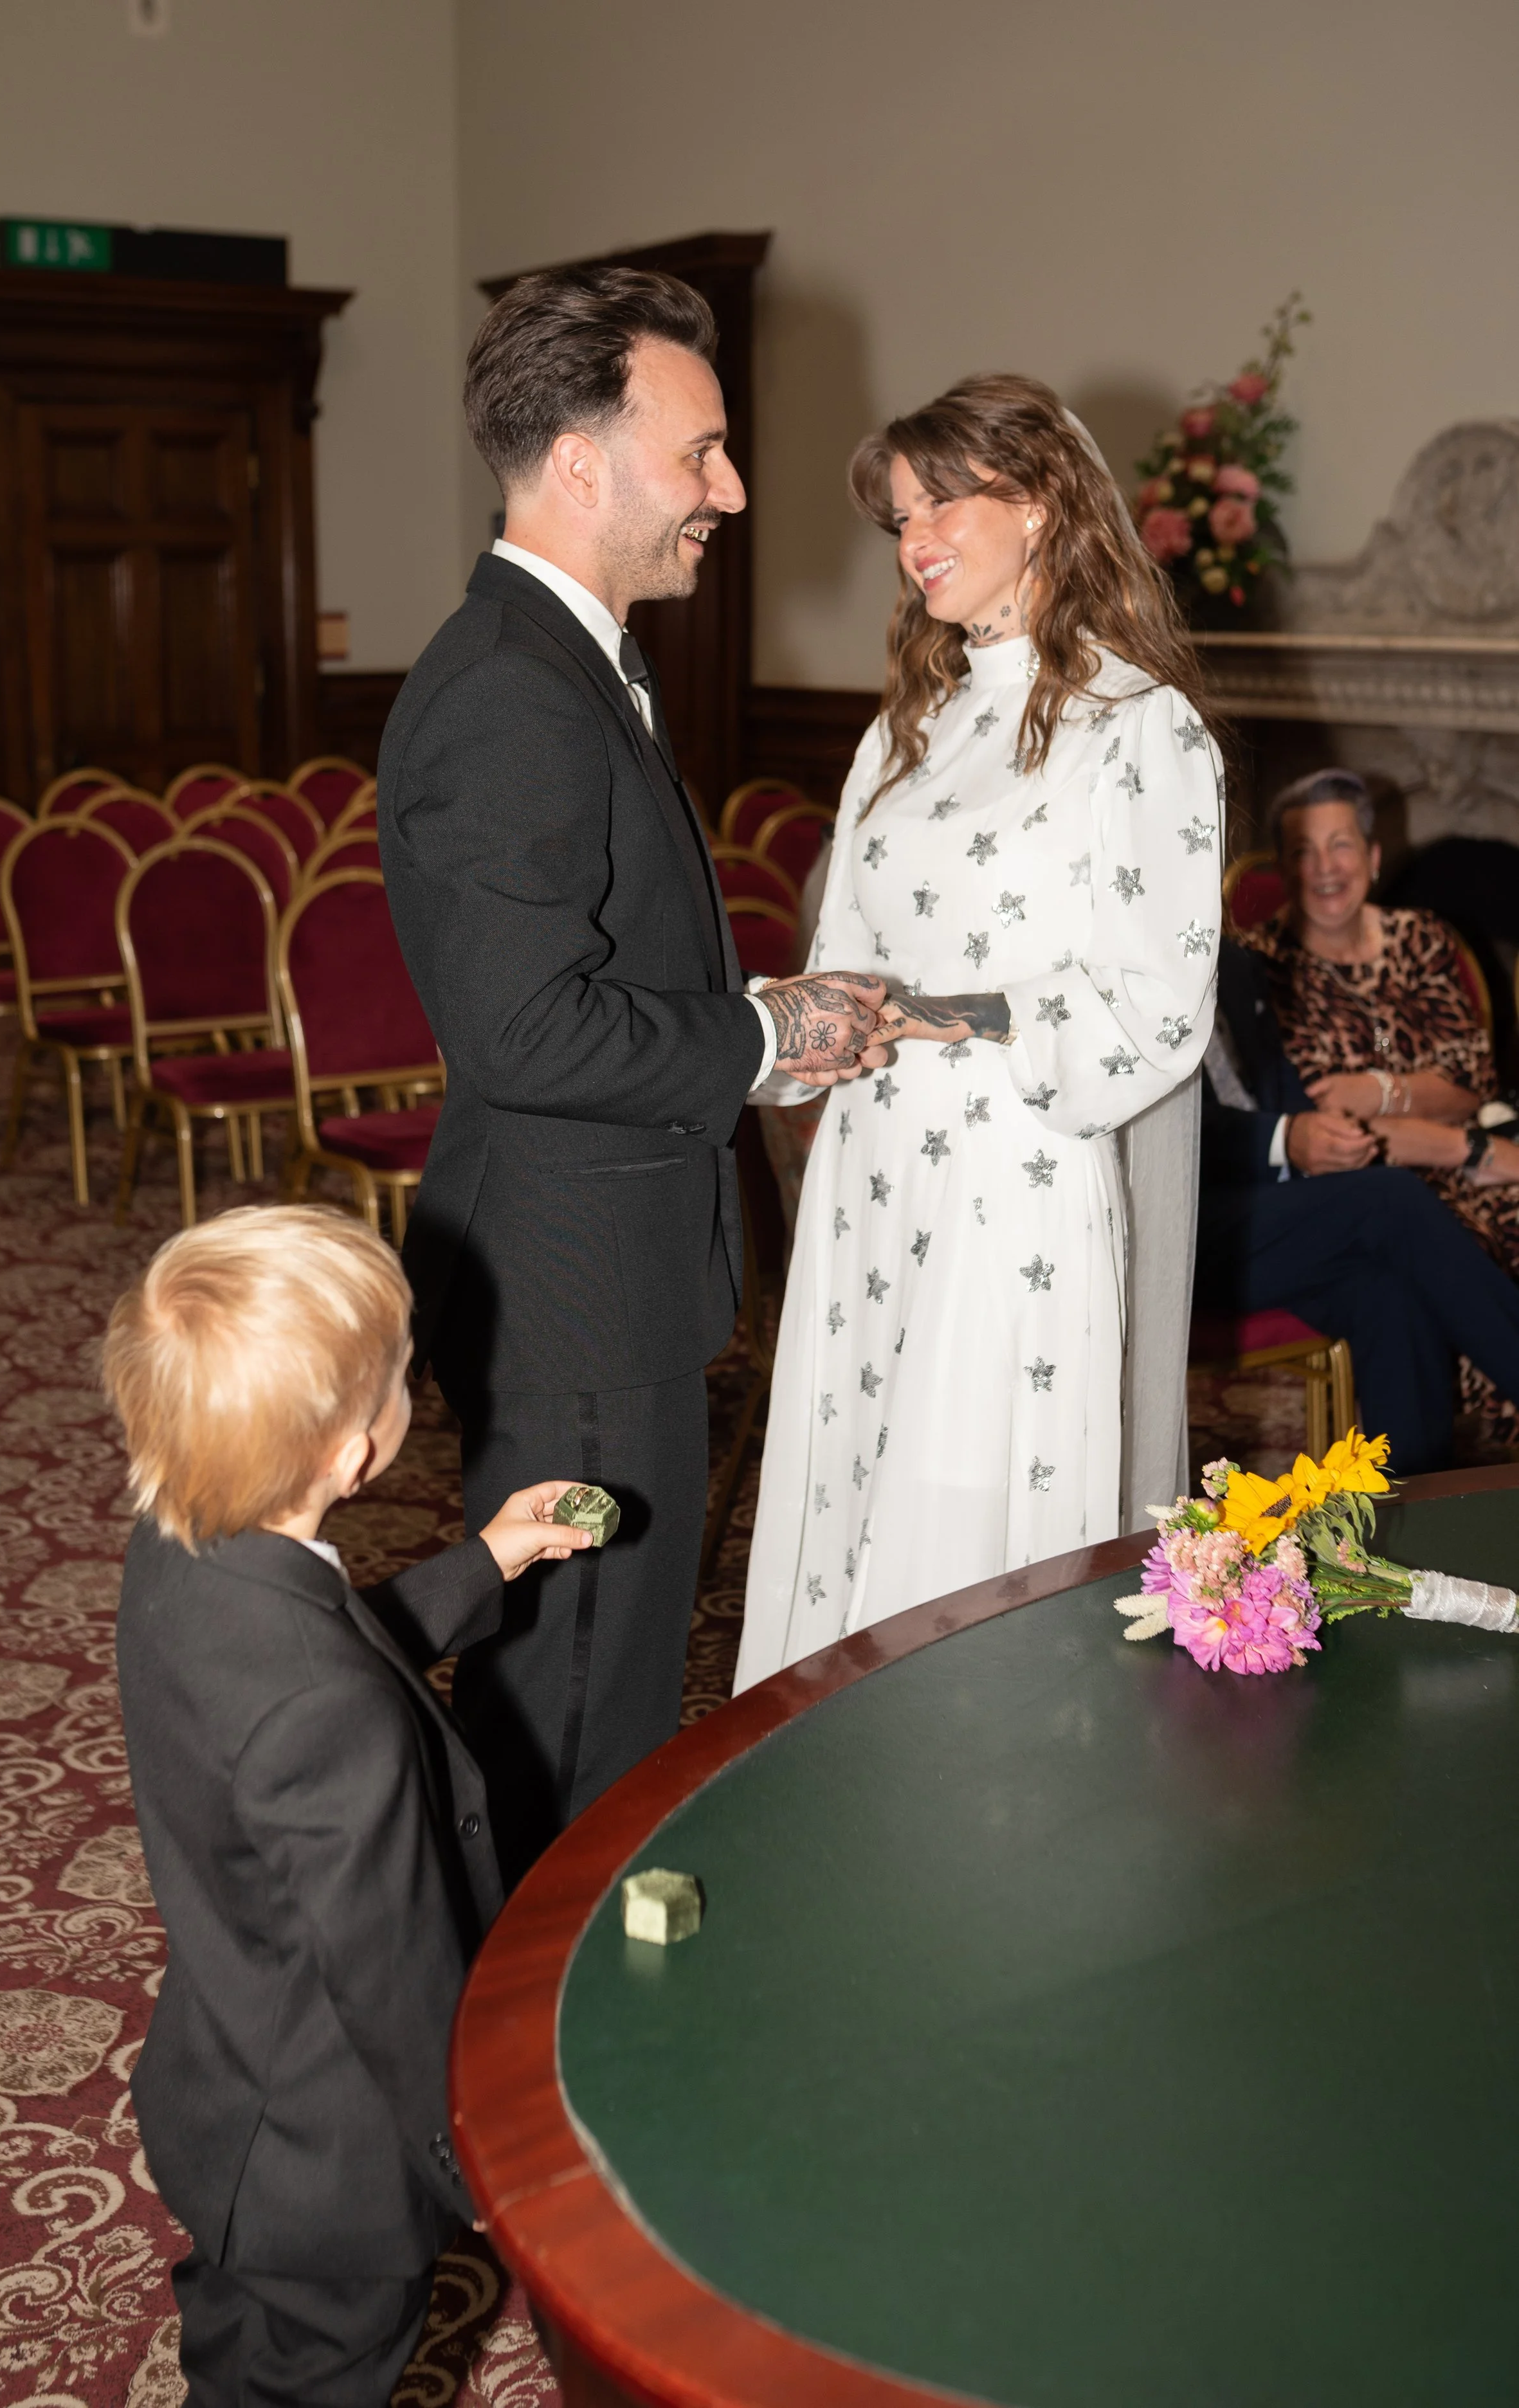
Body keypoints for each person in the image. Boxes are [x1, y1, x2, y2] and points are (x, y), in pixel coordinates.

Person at [377, 266, 886, 1878]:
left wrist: (755, 1008)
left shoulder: (568, 655)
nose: (730, 492)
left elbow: (586, 972)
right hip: (574, 1292)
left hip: (593, 1274)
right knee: (579, 1705)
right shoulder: (515, 690)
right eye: (702, 454)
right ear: (582, 465)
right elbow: (523, 1032)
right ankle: (514, 2072)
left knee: (584, 1681)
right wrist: (761, 1040)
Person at [736, 374, 1223, 1688]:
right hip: (871, 1178)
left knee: (959, 1501)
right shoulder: (905, 723)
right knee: (853, 1473)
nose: (915, 536)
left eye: (944, 499)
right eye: (900, 513)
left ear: (1045, 502)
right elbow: (838, 955)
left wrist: (943, 1012)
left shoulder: (1140, 728)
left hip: (1014, 1177)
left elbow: (1152, 1007)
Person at [108, 1206, 594, 2407]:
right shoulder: (326, 1717)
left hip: (226, 2083)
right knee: (320, 2375)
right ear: (353, 1456)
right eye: (399, 1382)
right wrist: (479, 2159)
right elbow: (393, 1968)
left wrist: (484, 1562)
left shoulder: (179, 1551)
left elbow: (329, 1643)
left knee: (246, 2334)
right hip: (331, 2170)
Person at [1242, 766, 1519, 1443]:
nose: (1324, 868)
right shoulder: (1261, 965)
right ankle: (1485, 1453)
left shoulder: (1421, 938)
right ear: (1283, 866)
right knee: (1462, 1236)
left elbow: (1471, 1078)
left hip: (1451, 1163)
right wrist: (1460, 1139)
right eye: (1304, 851)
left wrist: (1382, 1091)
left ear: (1370, 856)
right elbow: (1327, 1133)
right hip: (1366, 1188)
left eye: (1340, 846)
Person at [1201, 941, 1519, 1471]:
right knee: (1389, 1200)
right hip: (1179, 1229)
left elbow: (1276, 1091)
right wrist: (1285, 1137)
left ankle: (1419, 1511)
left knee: (1387, 1285)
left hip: (1267, 1203)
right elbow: (1173, 1138)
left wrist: (1328, 1133)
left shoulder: (1231, 962)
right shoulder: (1125, 974)